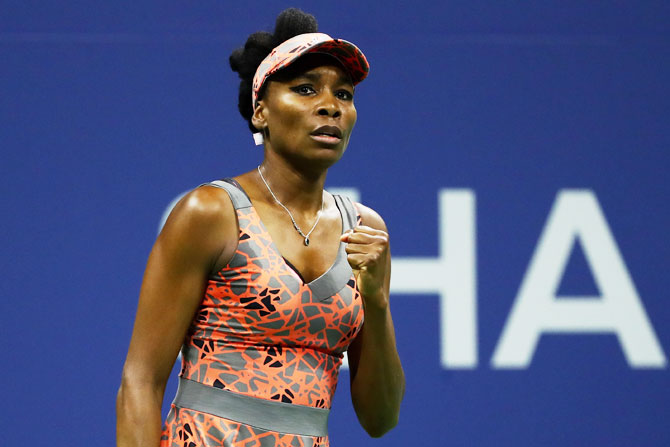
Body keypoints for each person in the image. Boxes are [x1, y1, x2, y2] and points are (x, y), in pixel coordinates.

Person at [116, 8, 404, 447]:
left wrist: (377, 302)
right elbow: (140, 381)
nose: (330, 105)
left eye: (344, 95)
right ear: (261, 113)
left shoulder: (364, 228)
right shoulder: (211, 212)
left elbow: (380, 419)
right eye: (305, 89)